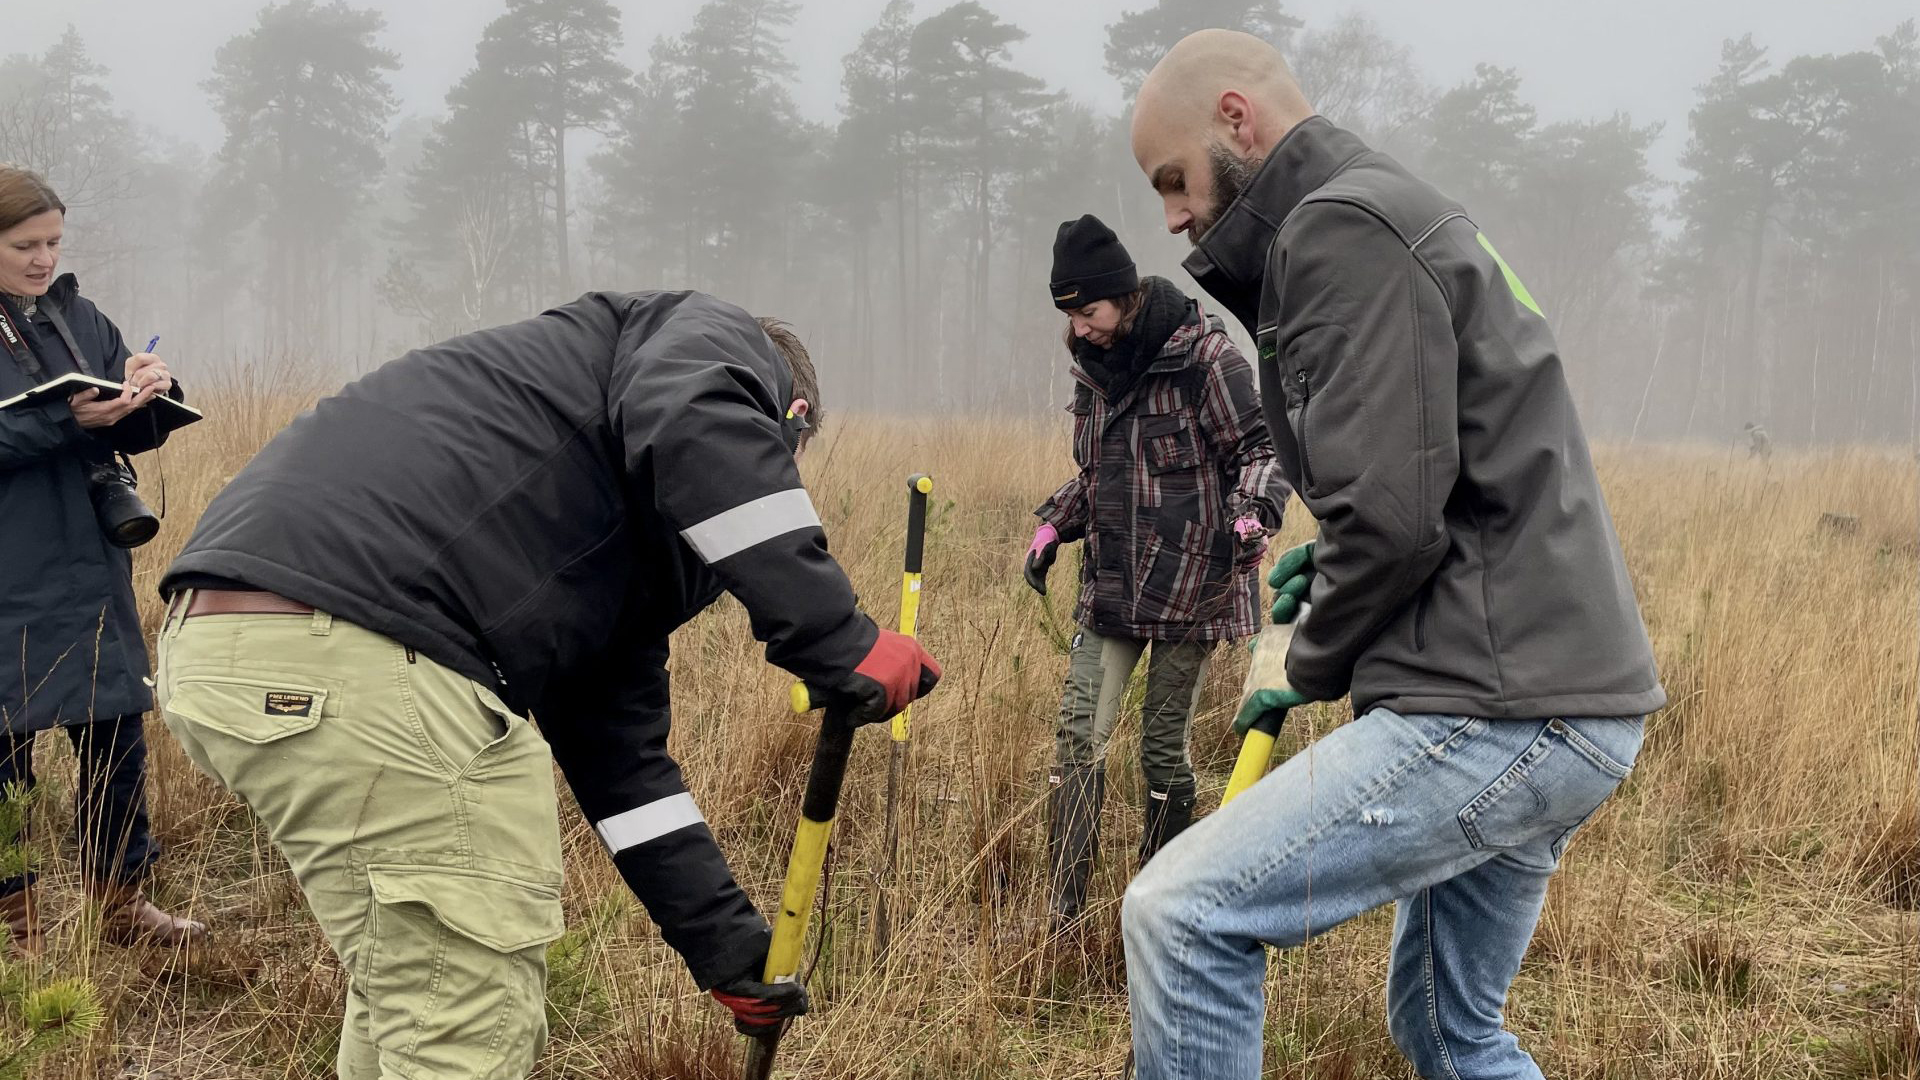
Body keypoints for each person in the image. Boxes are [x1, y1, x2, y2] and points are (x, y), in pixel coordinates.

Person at [153, 293, 941, 1080]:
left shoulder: (584, 527)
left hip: (224, 649)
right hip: (363, 650)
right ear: (785, 414)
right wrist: (838, 638)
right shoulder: (707, 341)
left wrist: (728, 950)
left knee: (412, 993)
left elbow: (622, 767)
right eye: (779, 454)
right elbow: (698, 419)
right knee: (465, 1019)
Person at [1119, 31, 1667, 1080]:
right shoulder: (1380, 210)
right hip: (1564, 700)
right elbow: (1436, 481)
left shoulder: (1340, 228)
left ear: (1236, 118)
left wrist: (1302, 659)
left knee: (1183, 914)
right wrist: (1331, 570)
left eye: (1173, 180)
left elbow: (1396, 521)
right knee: (1444, 1027)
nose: (1174, 216)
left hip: (1503, 703)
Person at [1023, 214, 1287, 927]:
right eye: (1068, 316)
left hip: (1193, 589)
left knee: (1162, 753)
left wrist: (1253, 513)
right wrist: (1055, 523)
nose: (1080, 328)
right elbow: (1101, 474)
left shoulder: (1203, 358)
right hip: (1112, 587)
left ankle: (1155, 908)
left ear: (1125, 294)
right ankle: (1062, 912)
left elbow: (1262, 450)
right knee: (1079, 736)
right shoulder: (1093, 373)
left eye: (1089, 310)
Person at [0, 166, 204, 954]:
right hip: (8, 569)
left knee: (115, 736)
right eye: (25, 244)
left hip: (89, 564)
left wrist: (148, 393)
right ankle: (13, 922)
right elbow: (56, 427)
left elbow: (122, 426)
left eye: (52, 242)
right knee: (3, 756)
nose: (43, 258)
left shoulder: (80, 316)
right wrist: (65, 423)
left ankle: (120, 900)